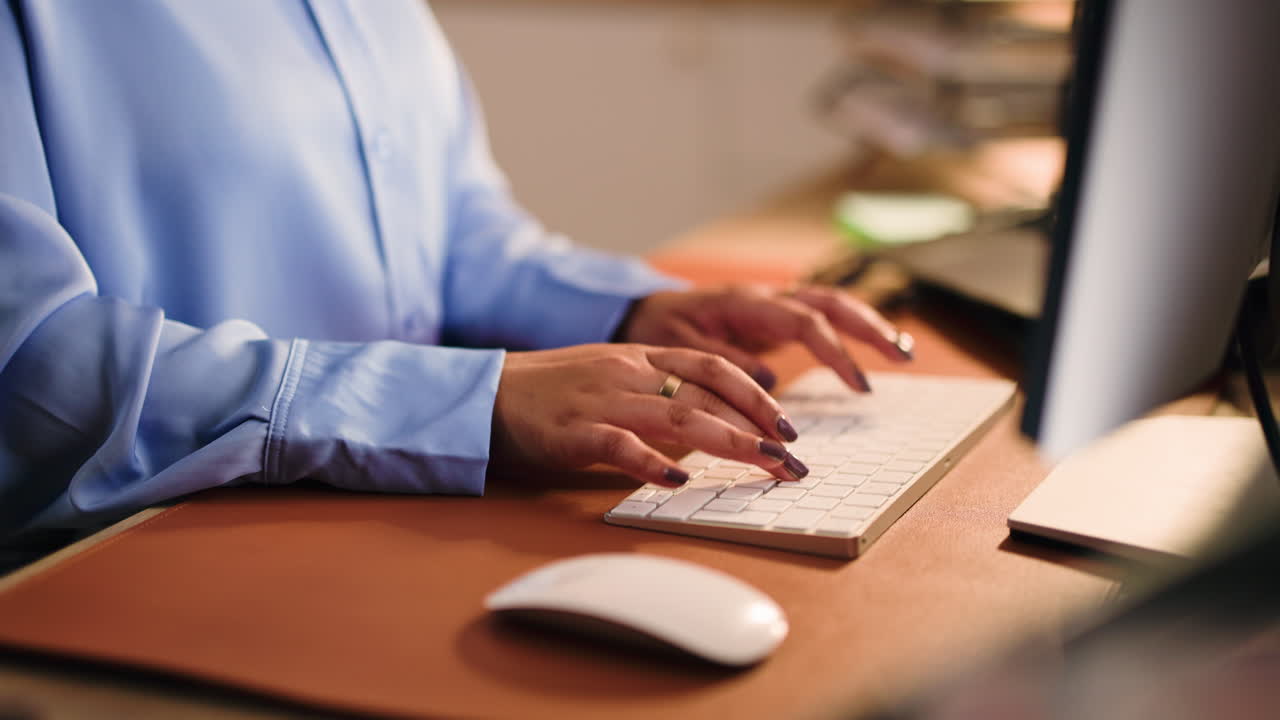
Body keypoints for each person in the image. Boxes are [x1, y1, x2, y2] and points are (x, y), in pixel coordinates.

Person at [0, 0, 912, 547]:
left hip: (385, 526)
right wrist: (469, 402)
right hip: (122, 568)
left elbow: (453, 235)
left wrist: (640, 309)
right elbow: (33, 367)